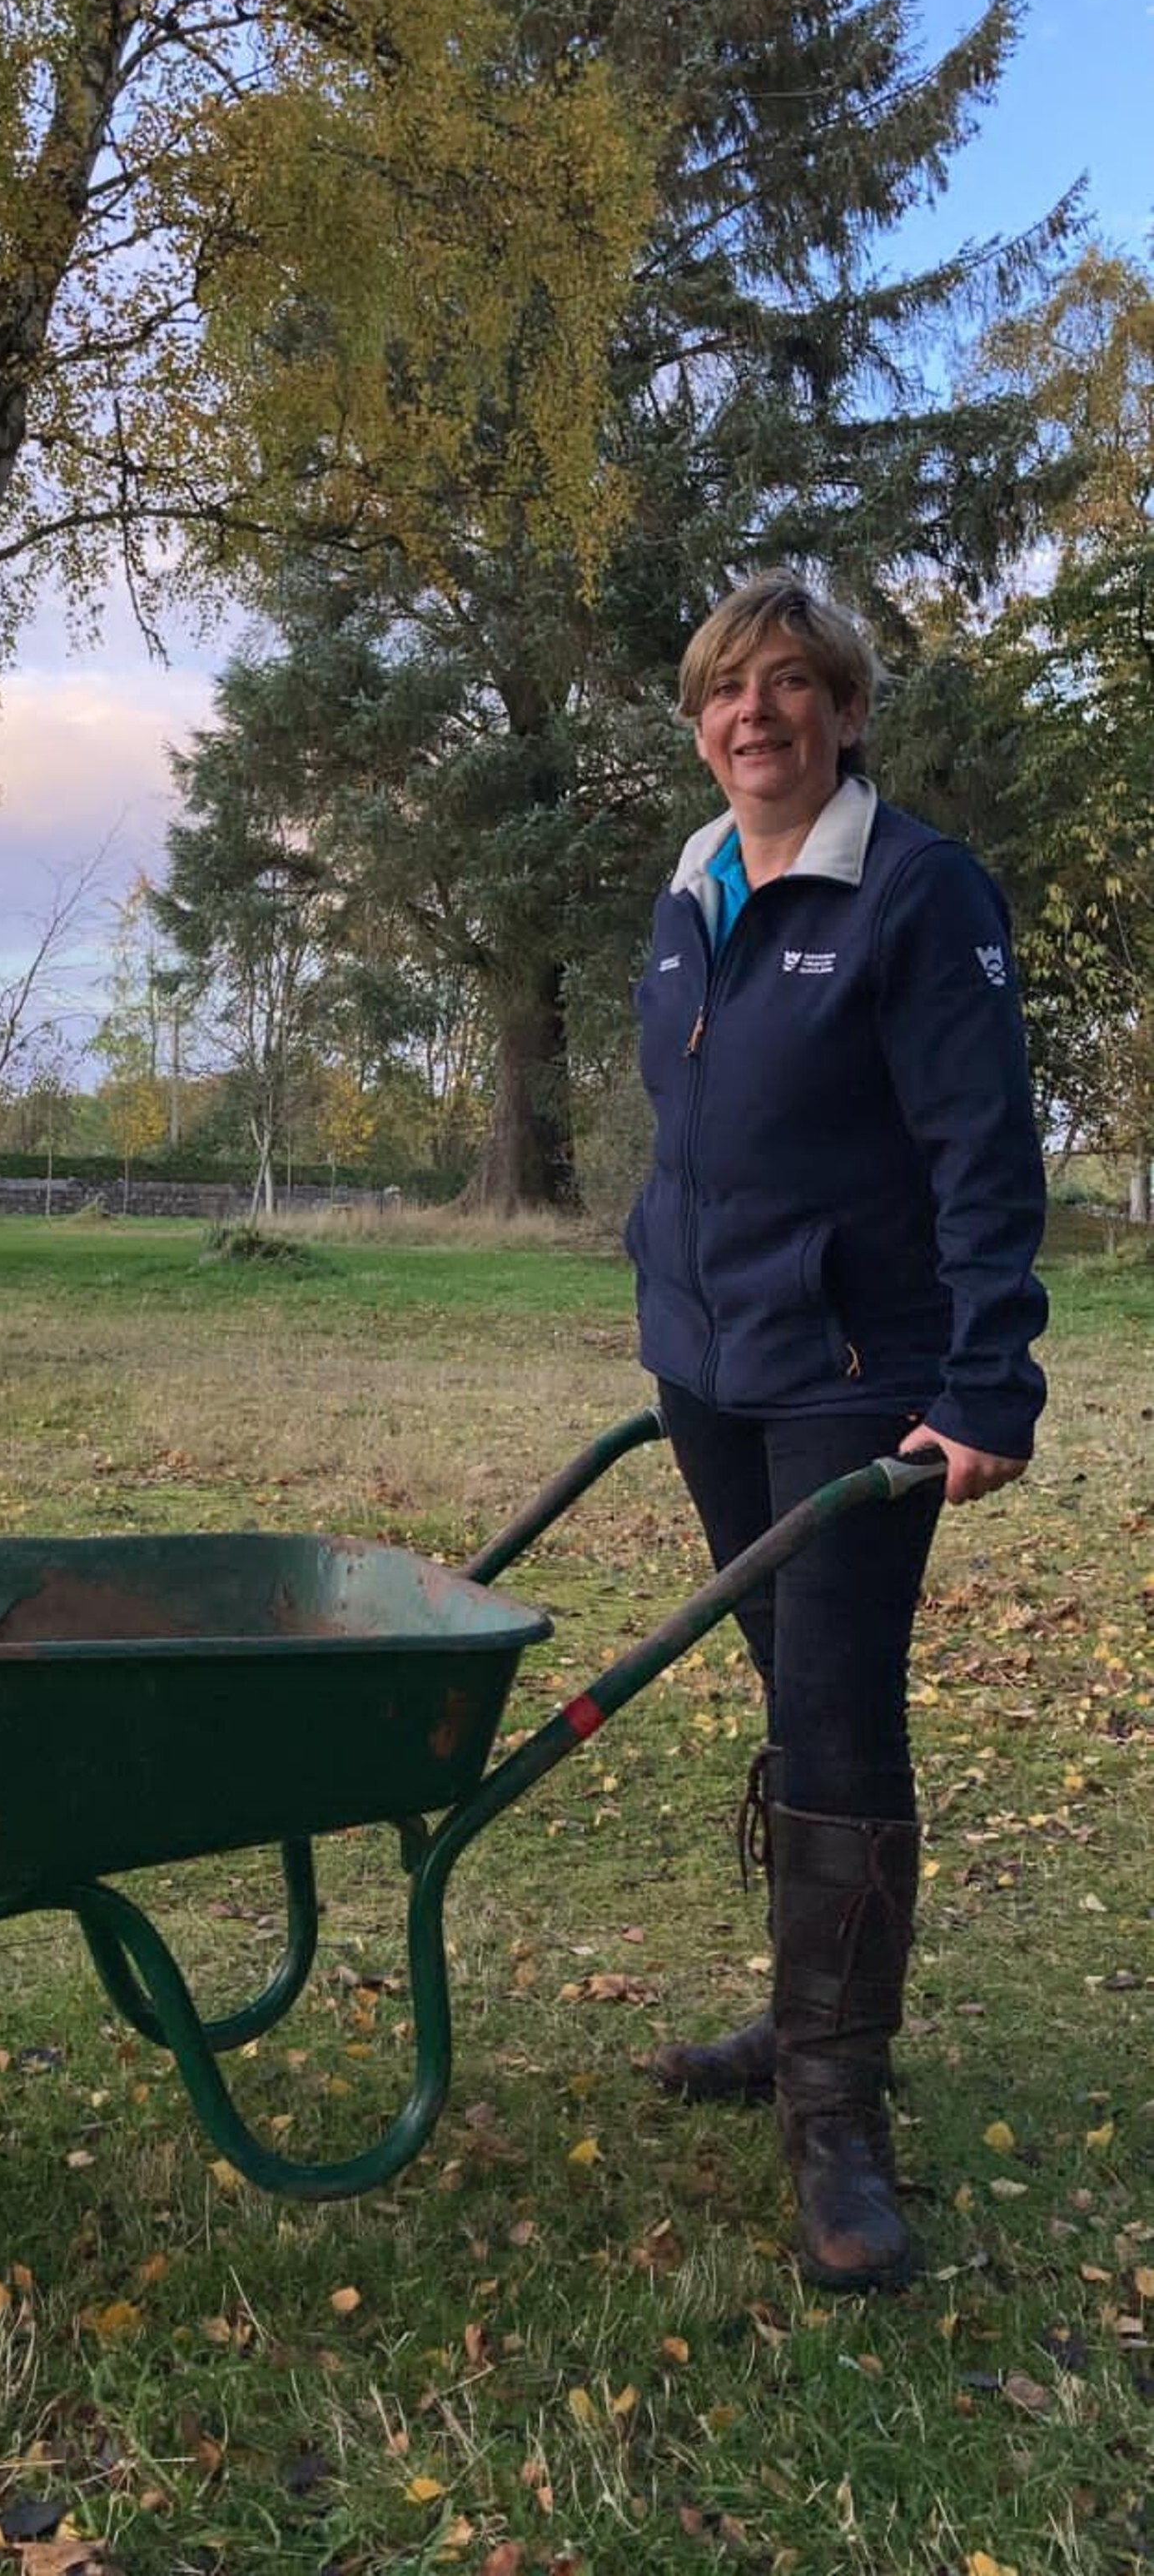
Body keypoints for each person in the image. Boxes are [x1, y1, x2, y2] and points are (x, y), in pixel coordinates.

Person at [624, 570, 1047, 2292]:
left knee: (836, 1712)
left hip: (858, 1373)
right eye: (730, 688)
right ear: (700, 724)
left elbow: (982, 1148)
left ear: (848, 713)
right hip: (712, 1373)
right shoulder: (694, 886)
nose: (758, 713)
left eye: (793, 684)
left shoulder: (917, 891)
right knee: (787, 1692)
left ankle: (836, 2111)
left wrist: (989, 1379)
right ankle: (807, 2015)